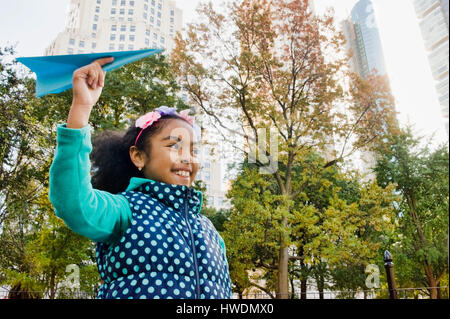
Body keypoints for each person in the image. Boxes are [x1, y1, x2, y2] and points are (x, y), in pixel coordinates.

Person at [49, 57, 232, 299]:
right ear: (138, 157)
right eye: (174, 146)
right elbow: (73, 202)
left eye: (194, 150)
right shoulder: (124, 210)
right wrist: (82, 107)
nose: (187, 158)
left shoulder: (210, 231)